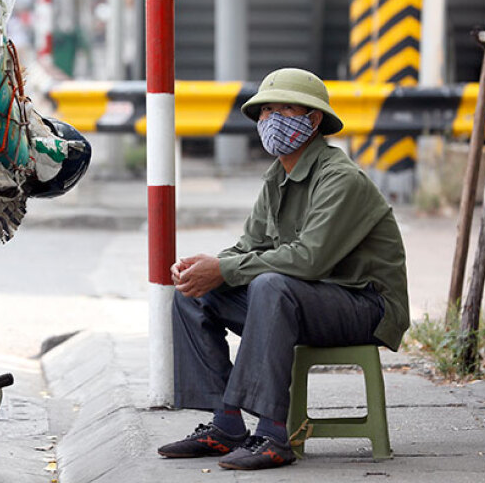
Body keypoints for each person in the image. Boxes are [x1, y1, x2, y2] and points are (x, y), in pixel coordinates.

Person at [157, 68, 409, 470]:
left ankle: (274, 436)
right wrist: (207, 268)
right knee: (195, 292)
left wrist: (225, 268)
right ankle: (226, 426)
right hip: (304, 300)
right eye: (265, 111)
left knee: (272, 286)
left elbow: (309, 259)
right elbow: (247, 248)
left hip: (365, 305)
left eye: (284, 110)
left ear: (312, 121)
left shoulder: (340, 178)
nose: (272, 120)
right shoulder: (278, 178)